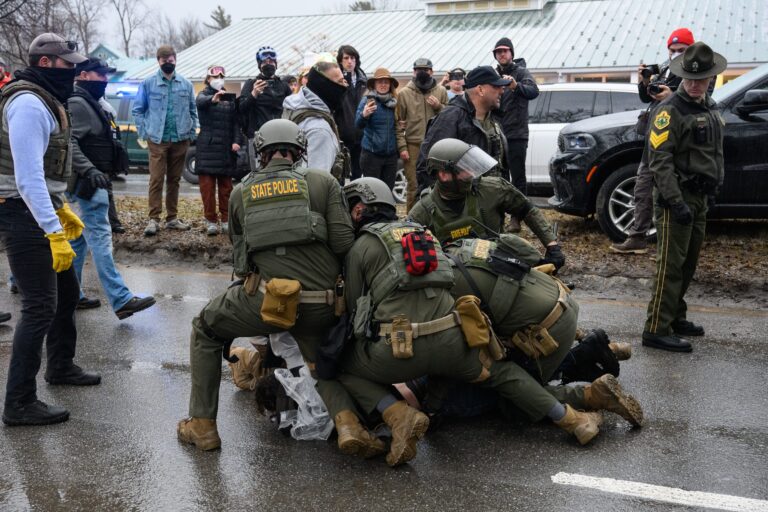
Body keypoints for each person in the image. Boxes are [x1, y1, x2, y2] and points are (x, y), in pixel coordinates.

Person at [338, 177, 605, 466]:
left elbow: (354, 313)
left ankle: (396, 416)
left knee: (341, 368)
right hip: (454, 341)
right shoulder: (423, 233)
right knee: (501, 373)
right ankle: (574, 421)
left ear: (358, 210)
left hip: (402, 350)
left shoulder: (360, 248)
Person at [177, 119, 382, 457]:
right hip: (322, 305)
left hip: (270, 304)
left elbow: (242, 264)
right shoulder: (322, 182)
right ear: (299, 151)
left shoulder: (241, 192)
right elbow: (345, 245)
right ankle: (349, 426)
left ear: (261, 152)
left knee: (204, 328)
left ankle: (203, 427)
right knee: (318, 363)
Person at [0, 33, 100, 427]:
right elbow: (27, 179)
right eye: (67, 64)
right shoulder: (27, 104)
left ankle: (60, 366)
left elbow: (43, 173)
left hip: (37, 209)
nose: (73, 71)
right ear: (45, 63)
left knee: (67, 293)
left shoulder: (46, 98)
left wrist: (62, 209)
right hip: (20, 212)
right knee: (39, 306)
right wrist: (53, 229)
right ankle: (19, 402)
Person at [439, 237, 643, 427]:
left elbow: (460, 355)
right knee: (513, 360)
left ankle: (592, 394)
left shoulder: (441, 289)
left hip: (547, 330)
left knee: (515, 402)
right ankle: (597, 351)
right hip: (560, 299)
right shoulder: (462, 247)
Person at [641, 42, 726, 353]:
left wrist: (715, 187)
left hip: (700, 197)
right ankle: (655, 328)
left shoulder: (710, 107)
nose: (693, 85)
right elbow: (659, 160)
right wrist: (675, 202)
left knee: (688, 263)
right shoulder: (670, 110)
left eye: (700, 79)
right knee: (670, 265)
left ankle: (675, 316)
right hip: (675, 198)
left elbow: (715, 152)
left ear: (710, 78)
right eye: (689, 79)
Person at [68, 58, 157, 320]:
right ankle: (121, 299)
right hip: (88, 184)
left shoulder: (91, 102)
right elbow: (70, 143)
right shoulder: (78, 103)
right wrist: (89, 170)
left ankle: (71, 295)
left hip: (93, 181)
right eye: (100, 75)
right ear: (84, 75)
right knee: (101, 239)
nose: (105, 80)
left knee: (77, 241)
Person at [410, 139, 564, 268]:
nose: (471, 173)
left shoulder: (491, 188)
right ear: (444, 175)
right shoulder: (422, 211)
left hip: (500, 265)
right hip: (457, 278)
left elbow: (527, 209)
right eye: (464, 168)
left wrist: (552, 246)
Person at [612, 28, 698, 255]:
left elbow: (701, 102)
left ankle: (672, 244)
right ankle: (637, 236)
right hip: (655, 138)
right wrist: (644, 81)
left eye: (682, 49)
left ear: (691, 49)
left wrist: (672, 96)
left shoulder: (698, 71)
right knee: (642, 187)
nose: (676, 53)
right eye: (673, 49)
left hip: (679, 143)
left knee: (672, 193)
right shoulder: (665, 69)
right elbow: (646, 97)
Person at [133, 45, 198, 237]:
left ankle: (172, 218)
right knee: (156, 179)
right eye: (164, 61)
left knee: (174, 180)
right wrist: (144, 132)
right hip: (157, 139)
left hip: (180, 139)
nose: (168, 63)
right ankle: (153, 219)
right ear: (158, 61)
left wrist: (191, 133)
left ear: (175, 60)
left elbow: (193, 110)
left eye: (171, 60)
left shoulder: (186, 84)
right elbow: (138, 110)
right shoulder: (148, 83)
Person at [415, 66, 508, 191]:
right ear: (480, 90)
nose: (502, 90)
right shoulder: (450, 118)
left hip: (491, 198)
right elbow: (427, 167)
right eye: (496, 86)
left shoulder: (494, 119)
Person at [195, 65, 244, 236]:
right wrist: (212, 99)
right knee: (207, 189)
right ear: (208, 79)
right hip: (207, 149)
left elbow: (236, 123)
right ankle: (210, 220)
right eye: (215, 77)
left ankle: (225, 219)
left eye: (222, 77)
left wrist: (237, 140)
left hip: (225, 149)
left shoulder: (229, 98)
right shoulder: (203, 95)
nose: (219, 79)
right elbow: (200, 102)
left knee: (226, 189)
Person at [396, 58, 448, 211]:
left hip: (436, 145)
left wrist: (439, 107)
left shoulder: (441, 91)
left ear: (431, 71)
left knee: (438, 184)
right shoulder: (404, 93)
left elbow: (450, 116)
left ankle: (436, 217)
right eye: (419, 70)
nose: (422, 72)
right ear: (414, 72)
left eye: (425, 70)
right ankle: (411, 218)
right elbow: (398, 124)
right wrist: (402, 147)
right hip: (413, 145)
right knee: (413, 185)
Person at [282, 61, 349, 176]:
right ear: (325, 86)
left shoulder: (293, 105)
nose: (345, 85)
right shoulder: (319, 130)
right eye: (340, 81)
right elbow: (316, 181)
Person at [492, 37, 539, 192]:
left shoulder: (521, 72)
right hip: (498, 134)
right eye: (498, 52)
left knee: (518, 177)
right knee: (501, 176)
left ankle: (519, 208)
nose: (501, 54)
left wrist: (515, 86)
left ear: (511, 53)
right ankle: (503, 206)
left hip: (517, 135)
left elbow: (534, 92)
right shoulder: (493, 74)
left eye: (505, 51)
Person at [355, 67, 399, 189]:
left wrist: (402, 123)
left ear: (390, 85)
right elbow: (358, 125)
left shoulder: (396, 102)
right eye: (380, 82)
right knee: (373, 192)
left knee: (388, 190)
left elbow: (399, 123)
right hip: (371, 155)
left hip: (391, 156)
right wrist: (364, 115)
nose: (383, 85)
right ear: (374, 84)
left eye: (386, 82)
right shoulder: (367, 100)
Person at [237, 46, 292, 139]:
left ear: (276, 65)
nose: (268, 64)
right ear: (260, 66)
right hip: (258, 135)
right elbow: (241, 108)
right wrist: (254, 94)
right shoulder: (251, 84)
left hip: (281, 133)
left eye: (271, 62)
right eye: (265, 62)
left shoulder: (283, 85)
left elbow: (292, 107)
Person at [336, 45, 367, 180]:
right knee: (340, 174)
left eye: (352, 58)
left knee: (357, 175)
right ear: (340, 61)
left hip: (362, 136)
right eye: (346, 58)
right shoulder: (336, 81)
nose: (349, 61)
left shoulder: (364, 80)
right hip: (343, 135)